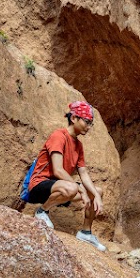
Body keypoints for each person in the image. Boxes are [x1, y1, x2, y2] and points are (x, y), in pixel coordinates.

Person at [27, 101, 106, 252]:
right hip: (40, 185)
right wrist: (80, 190)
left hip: (61, 187)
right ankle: (42, 211)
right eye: (87, 122)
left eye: (91, 124)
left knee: (97, 191)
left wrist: (96, 196)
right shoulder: (59, 136)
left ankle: (86, 233)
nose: (89, 127)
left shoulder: (79, 145)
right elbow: (58, 170)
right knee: (72, 188)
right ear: (74, 118)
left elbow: (83, 173)